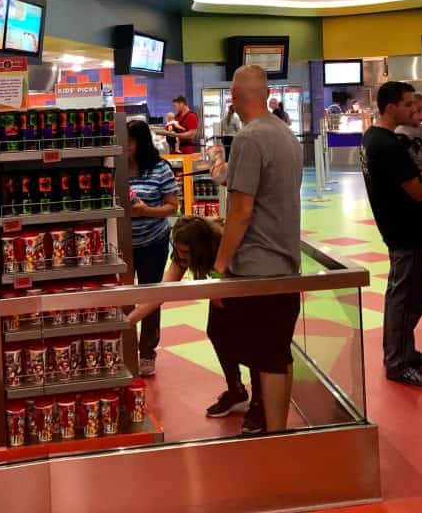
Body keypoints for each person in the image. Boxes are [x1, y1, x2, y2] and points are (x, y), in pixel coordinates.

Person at [214, 65, 302, 433]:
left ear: (233, 99)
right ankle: (276, 429)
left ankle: (276, 436)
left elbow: (240, 212)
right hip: (285, 262)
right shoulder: (285, 134)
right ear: (267, 94)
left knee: (266, 356)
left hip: (256, 267)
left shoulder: (249, 139)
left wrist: (219, 266)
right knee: (277, 354)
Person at [127, 216, 265, 433]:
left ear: (200, 247)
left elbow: (237, 280)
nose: (182, 257)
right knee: (217, 332)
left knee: (253, 344)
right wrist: (130, 320)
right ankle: (236, 391)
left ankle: (260, 402)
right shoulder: (184, 253)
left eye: (186, 252)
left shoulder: (223, 246)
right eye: (178, 251)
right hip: (220, 293)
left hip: (247, 291)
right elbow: (163, 290)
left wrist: (222, 294)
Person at [361, 82, 422, 388]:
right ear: (391, 106)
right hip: (406, 230)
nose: (414, 110)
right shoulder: (387, 144)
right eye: (408, 104)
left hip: (404, 228)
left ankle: (405, 351)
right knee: (404, 297)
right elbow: (417, 191)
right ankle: (397, 361)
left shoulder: (375, 139)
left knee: (411, 296)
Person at [126, 119, 180, 377]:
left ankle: (147, 351)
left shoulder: (160, 169)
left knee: (151, 297)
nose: (124, 146)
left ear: (141, 142)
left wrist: (145, 210)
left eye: (130, 141)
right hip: (122, 246)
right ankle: (123, 348)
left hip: (153, 242)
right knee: (121, 297)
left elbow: (172, 206)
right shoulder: (114, 168)